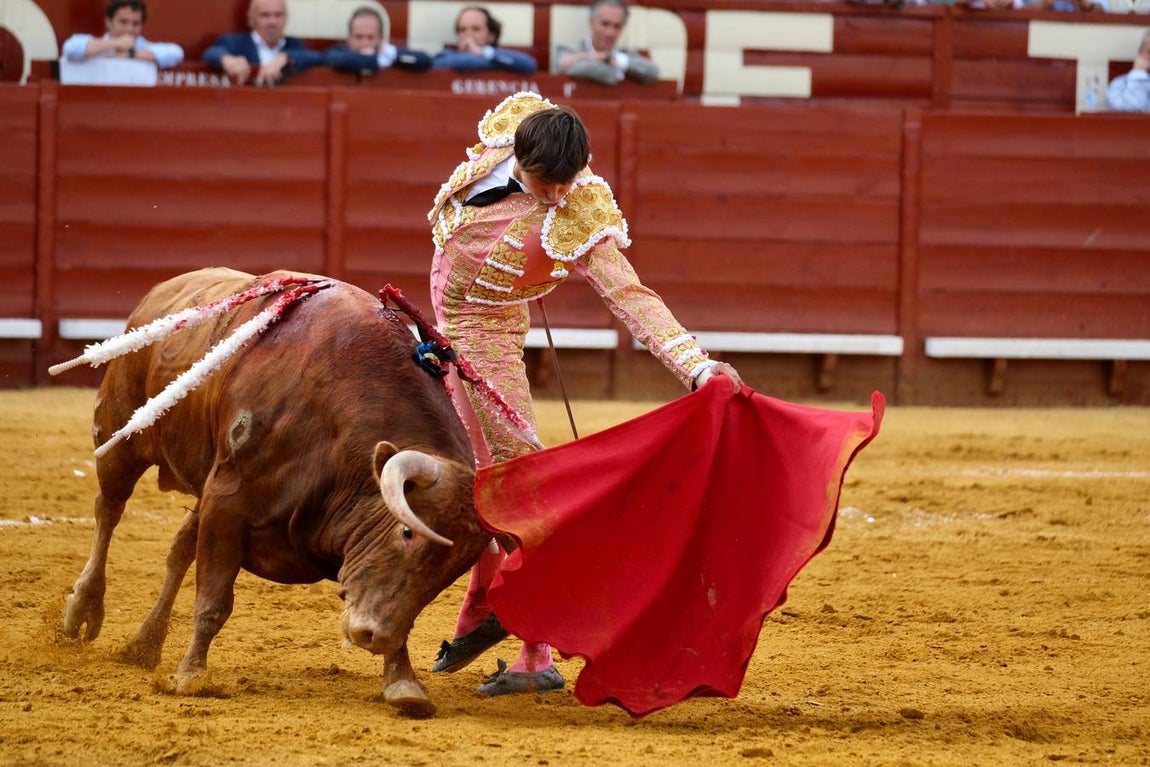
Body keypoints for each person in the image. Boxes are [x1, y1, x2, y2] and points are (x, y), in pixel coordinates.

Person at [426, 92, 742, 697]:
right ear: (517, 157)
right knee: (472, 480)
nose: (555, 197)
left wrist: (694, 366)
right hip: (436, 336)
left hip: (487, 348)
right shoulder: (505, 137)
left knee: (515, 491)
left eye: (565, 184)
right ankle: (484, 611)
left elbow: (631, 295)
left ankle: (534, 651)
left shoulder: (578, 212)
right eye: (545, 184)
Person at [202, 0, 323, 87]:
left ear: (286, 18)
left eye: (278, 15)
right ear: (252, 19)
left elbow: (318, 58)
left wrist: (286, 57)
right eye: (265, 15)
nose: (272, 22)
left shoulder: (294, 45)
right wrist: (227, 60)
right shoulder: (236, 42)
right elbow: (211, 52)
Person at [556, 0, 658, 85]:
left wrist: (612, 59)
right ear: (592, 23)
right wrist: (606, 59)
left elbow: (652, 72)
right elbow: (563, 65)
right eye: (605, 24)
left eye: (617, 26)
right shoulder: (569, 49)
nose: (610, 33)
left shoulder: (627, 53)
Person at [60, 0, 183, 69]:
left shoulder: (145, 48)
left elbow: (176, 52)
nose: (129, 29)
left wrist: (130, 54)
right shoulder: (96, 44)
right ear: (109, 22)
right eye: (123, 22)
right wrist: (115, 44)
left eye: (135, 24)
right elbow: (70, 49)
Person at [325, 6, 432, 75]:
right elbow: (335, 59)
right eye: (358, 37)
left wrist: (392, 54)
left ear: (380, 39)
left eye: (370, 37)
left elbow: (424, 60)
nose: (364, 43)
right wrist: (372, 60)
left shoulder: (388, 56)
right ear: (349, 38)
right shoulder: (337, 53)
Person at [431, 6, 537, 74]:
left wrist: (483, 52)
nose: (468, 35)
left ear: (491, 36)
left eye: (476, 29)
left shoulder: (495, 54)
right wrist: (494, 62)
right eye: (462, 30)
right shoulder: (446, 56)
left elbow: (529, 65)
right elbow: (461, 63)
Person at [1108, 31, 1150, 112]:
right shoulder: (1119, 85)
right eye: (1149, 52)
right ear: (1140, 54)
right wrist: (1138, 75)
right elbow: (1131, 114)